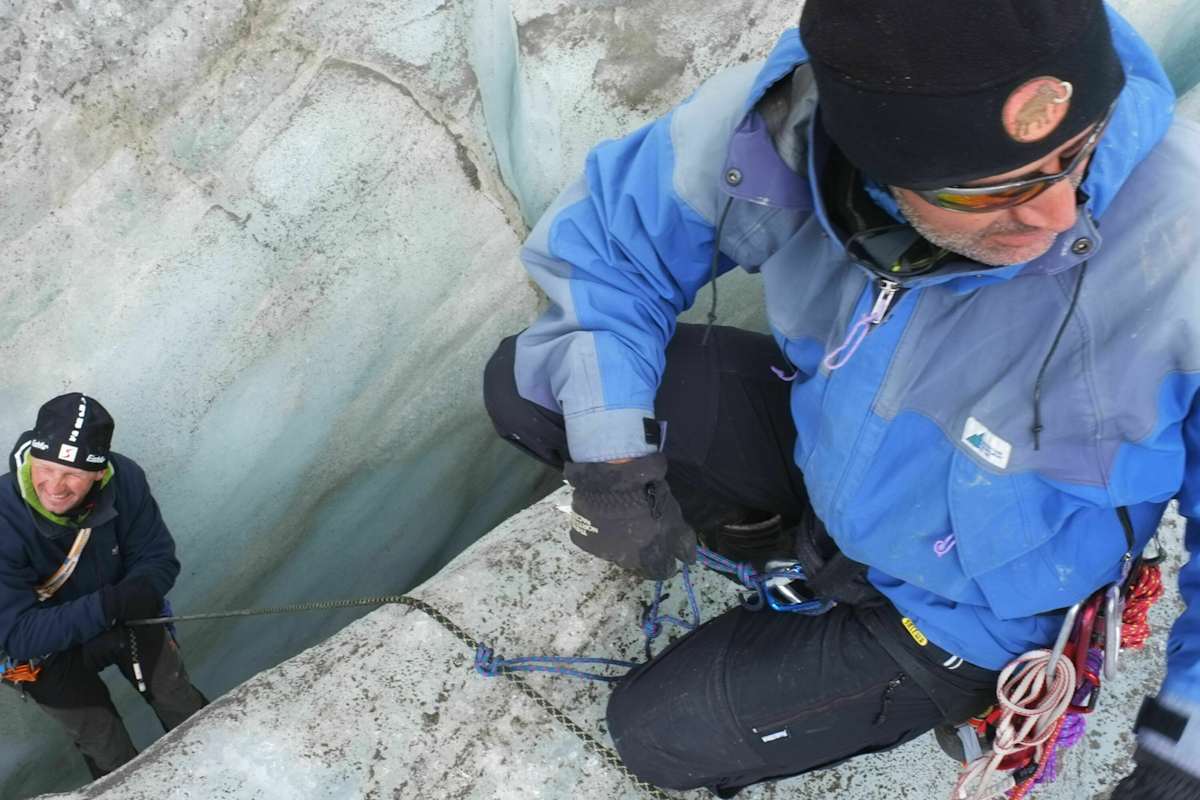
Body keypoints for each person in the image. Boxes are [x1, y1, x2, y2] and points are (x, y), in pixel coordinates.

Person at [483, 1, 1200, 797]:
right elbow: (613, 252)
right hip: (822, 447)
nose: (1061, 214)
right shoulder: (782, 126)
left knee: (657, 739)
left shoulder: (1184, 248)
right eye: (987, 191)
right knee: (533, 389)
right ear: (868, 159)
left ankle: (945, 675)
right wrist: (616, 462)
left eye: (1078, 152)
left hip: (972, 607)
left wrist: (1186, 758)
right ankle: (788, 538)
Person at [0, 393, 206, 779]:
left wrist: (138, 591)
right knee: (106, 745)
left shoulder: (124, 479)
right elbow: (17, 634)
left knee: (179, 701)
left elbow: (158, 557)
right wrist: (110, 605)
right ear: (30, 458)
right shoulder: (3, 518)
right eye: (45, 468)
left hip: (121, 616)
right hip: (44, 653)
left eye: (73, 475)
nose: (55, 486)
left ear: (98, 473)